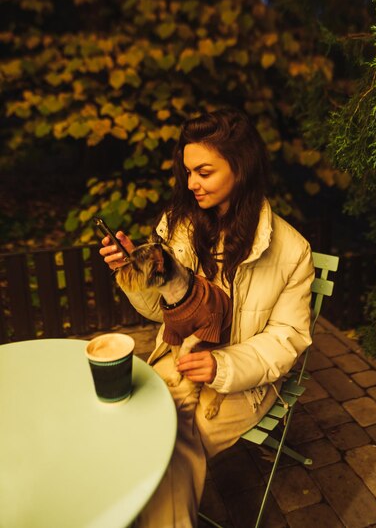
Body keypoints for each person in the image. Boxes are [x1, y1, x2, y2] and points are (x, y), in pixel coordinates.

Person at [99, 108, 315, 527]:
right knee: (134, 425)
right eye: (187, 172)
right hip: (179, 359)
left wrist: (223, 365)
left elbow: (287, 338)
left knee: (172, 442)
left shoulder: (292, 250)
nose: (191, 183)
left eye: (204, 171)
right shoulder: (177, 225)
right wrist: (135, 269)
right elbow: (157, 313)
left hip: (243, 383)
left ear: (241, 167)